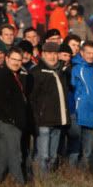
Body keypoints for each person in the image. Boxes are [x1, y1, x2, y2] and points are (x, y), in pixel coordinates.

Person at [0, 47, 28, 187]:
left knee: (3, 157)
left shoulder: (15, 75)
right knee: (15, 156)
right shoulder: (3, 75)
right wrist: (13, 119)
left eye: (19, 60)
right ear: (7, 59)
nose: (16, 62)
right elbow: (1, 100)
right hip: (7, 123)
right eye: (14, 59)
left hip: (5, 122)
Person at [28, 42, 68, 177]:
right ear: (43, 54)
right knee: (43, 155)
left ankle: (49, 181)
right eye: (49, 54)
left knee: (52, 156)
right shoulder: (36, 72)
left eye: (55, 54)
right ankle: (40, 182)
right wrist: (35, 118)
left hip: (58, 120)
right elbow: (32, 98)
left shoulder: (61, 72)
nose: (52, 57)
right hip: (43, 121)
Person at [68, 41, 93, 169]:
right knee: (74, 149)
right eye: (88, 53)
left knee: (88, 151)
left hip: (91, 117)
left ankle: (84, 178)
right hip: (77, 116)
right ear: (82, 52)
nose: (91, 56)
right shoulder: (76, 69)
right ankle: (71, 175)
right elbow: (71, 92)